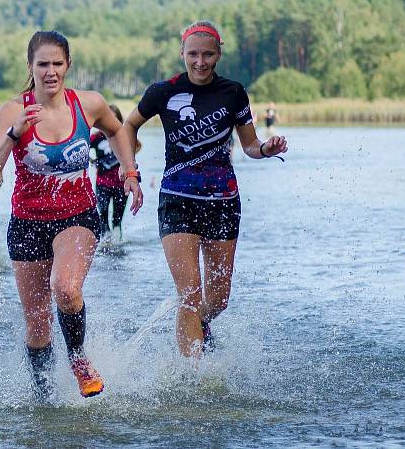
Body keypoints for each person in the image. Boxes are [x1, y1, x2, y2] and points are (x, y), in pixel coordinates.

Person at [0, 31, 143, 398]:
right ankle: (44, 399)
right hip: (27, 221)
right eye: (42, 64)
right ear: (30, 67)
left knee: (66, 289)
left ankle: (79, 359)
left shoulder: (89, 104)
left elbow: (118, 131)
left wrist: (130, 173)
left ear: (68, 64)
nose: (50, 72)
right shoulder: (13, 110)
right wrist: (12, 133)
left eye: (57, 63)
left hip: (78, 215)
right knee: (37, 325)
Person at [123, 21, 287, 357]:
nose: (201, 61)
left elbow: (250, 144)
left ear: (219, 54)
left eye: (208, 54)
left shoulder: (233, 92)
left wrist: (265, 149)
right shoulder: (163, 91)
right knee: (189, 295)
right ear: (182, 53)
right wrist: (130, 170)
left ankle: (199, 326)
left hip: (223, 202)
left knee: (218, 300)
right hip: (177, 199)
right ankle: (191, 377)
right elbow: (128, 126)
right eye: (193, 54)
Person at [90, 104, 140, 241]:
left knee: (117, 220)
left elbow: (137, 146)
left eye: (114, 117)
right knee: (103, 215)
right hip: (102, 183)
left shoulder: (122, 136)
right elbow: (81, 149)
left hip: (121, 184)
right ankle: (105, 245)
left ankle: (118, 246)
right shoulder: (95, 138)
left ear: (118, 119)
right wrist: (92, 161)